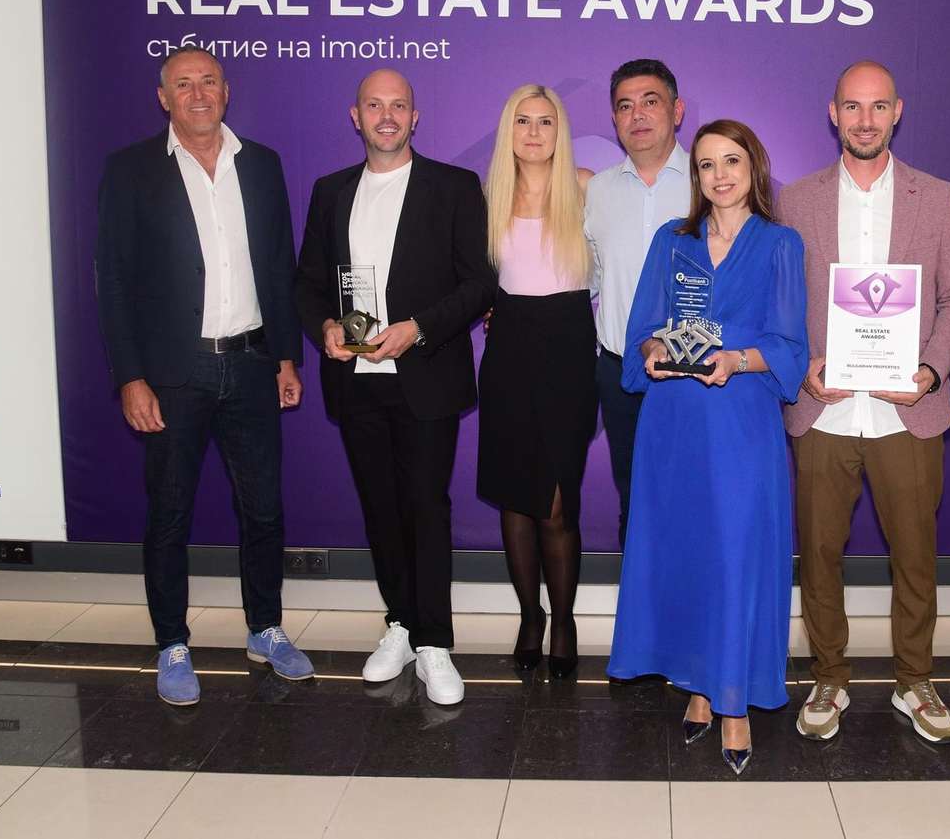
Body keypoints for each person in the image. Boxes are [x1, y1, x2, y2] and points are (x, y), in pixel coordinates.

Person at [95, 45, 311, 706]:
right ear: (164, 98)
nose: (198, 94)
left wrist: (286, 356)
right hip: (172, 374)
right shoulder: (130, 170)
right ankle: (172, 642)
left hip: (251, 364)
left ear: (226, 90)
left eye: (208, 81)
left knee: (264, 510)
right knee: (169, 513)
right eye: (183, 84)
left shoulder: (262, 164)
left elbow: (279, 266)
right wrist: (131, 377)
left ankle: (265, 627)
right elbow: (113, 282)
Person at [777, 60, 950, 746]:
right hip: (824, 410)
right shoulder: (795, 200)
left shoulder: (937, 197)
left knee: (915, 558)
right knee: (818, 554)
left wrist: (929, 371)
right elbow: (778, 302)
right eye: (853, 107)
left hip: (905, 413)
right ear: (833, 113)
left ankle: (914, 679)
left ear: (898, 111)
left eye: (878, 106)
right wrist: (802, 366)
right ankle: (829, 675)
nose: (865, 120)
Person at [607, 119, 807, 776]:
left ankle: (734, 700)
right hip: (674, 424)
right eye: (706, 164)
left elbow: (790, 345)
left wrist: (737, 359)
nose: (719, 175)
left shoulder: (780, 244)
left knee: (735, 557)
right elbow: (642, 327)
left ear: (754, 167)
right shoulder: (674, 240)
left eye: (732, 161)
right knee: (689, 554)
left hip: (741, 422)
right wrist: (652, 350)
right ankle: (697, 683)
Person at [294, 68, 494, 705]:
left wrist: (418, 329)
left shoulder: (454, 187)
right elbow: (308, 283)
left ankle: (434, 641)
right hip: (356, 381)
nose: (387, 116)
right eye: (374, 105)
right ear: (355, 116)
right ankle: (401, 624)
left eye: (398, 105)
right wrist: (325, 326)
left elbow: (479, 283)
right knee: (380, 508)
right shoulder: (330, 191)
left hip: (425, 377)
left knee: (426, 508)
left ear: (415, 116)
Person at [477, 84, 597, 678]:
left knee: (554, 503)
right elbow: (472, 280)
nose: (533, 132)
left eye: (545, 121)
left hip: (569, 354)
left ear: (559, 130)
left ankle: (564, 619)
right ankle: (531, 616)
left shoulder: (586, 186)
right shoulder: (487, 195)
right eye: (522, 120)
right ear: (509, 129)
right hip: (508, 355)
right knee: (515, 499)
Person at [583, 59, 692, 547]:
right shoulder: (597, 190)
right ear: (614, 119)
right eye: (625, 106)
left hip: (697, 370)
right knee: (634, 495)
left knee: (693, 496)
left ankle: (692, 594)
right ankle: (638, 596)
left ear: (677, 110)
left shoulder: (712, 182)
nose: (638, 115)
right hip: (619, 369)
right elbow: (586, 275)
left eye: (651, 101)